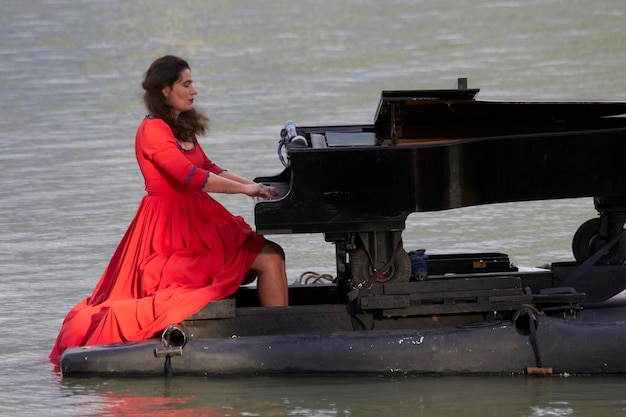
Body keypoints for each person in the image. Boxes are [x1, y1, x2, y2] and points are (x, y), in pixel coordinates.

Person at [50, 55, 289, 363]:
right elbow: (188, 176)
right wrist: (245, 189)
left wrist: (253, 186)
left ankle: (281, 337)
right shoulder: (153, 130)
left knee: (273, 254)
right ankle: (278, 345)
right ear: (165, 90)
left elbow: (208, 167)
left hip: (199, 217)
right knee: (268, 258)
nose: (194, 91)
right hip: (169, 228)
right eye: (186, 84)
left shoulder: (181, 125)